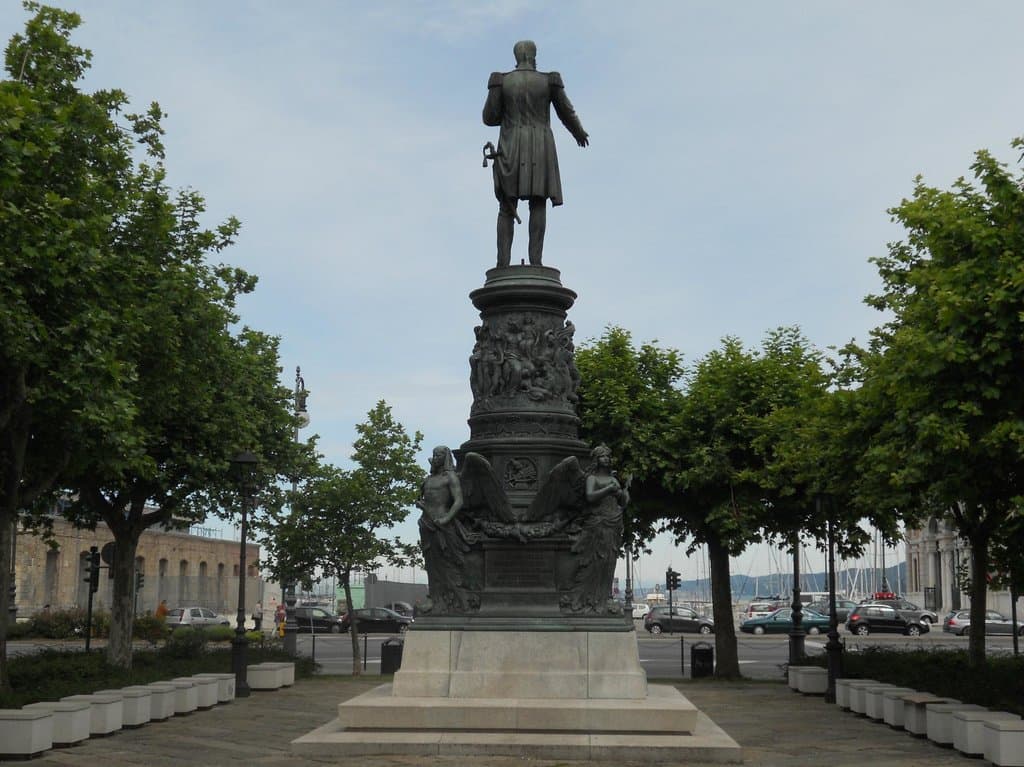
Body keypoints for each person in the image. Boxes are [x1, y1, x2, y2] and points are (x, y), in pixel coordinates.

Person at [483, 40, 589, 267]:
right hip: (539, 145)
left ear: (516, 57)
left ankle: (502, 264)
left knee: (506, 207)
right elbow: (566, 112)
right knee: (538, 203)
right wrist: (579, 132)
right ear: (533, 57)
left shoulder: (501, 80)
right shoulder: (548, 80)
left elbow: (489, 118)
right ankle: (536, 262)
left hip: (511, 145)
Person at [417, 446, 481, 613]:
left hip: (444, 526)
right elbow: (424, 499)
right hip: (426, 523)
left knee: (449, 563)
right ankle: (434, 598)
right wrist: (421, 505)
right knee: (431, 564)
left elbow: (458, 501)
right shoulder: (428, 479)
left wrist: (446, 518)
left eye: (439, 454)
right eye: (434, 454)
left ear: (445, 457)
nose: (435, 457)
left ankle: (461, 600)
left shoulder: (450, 477)